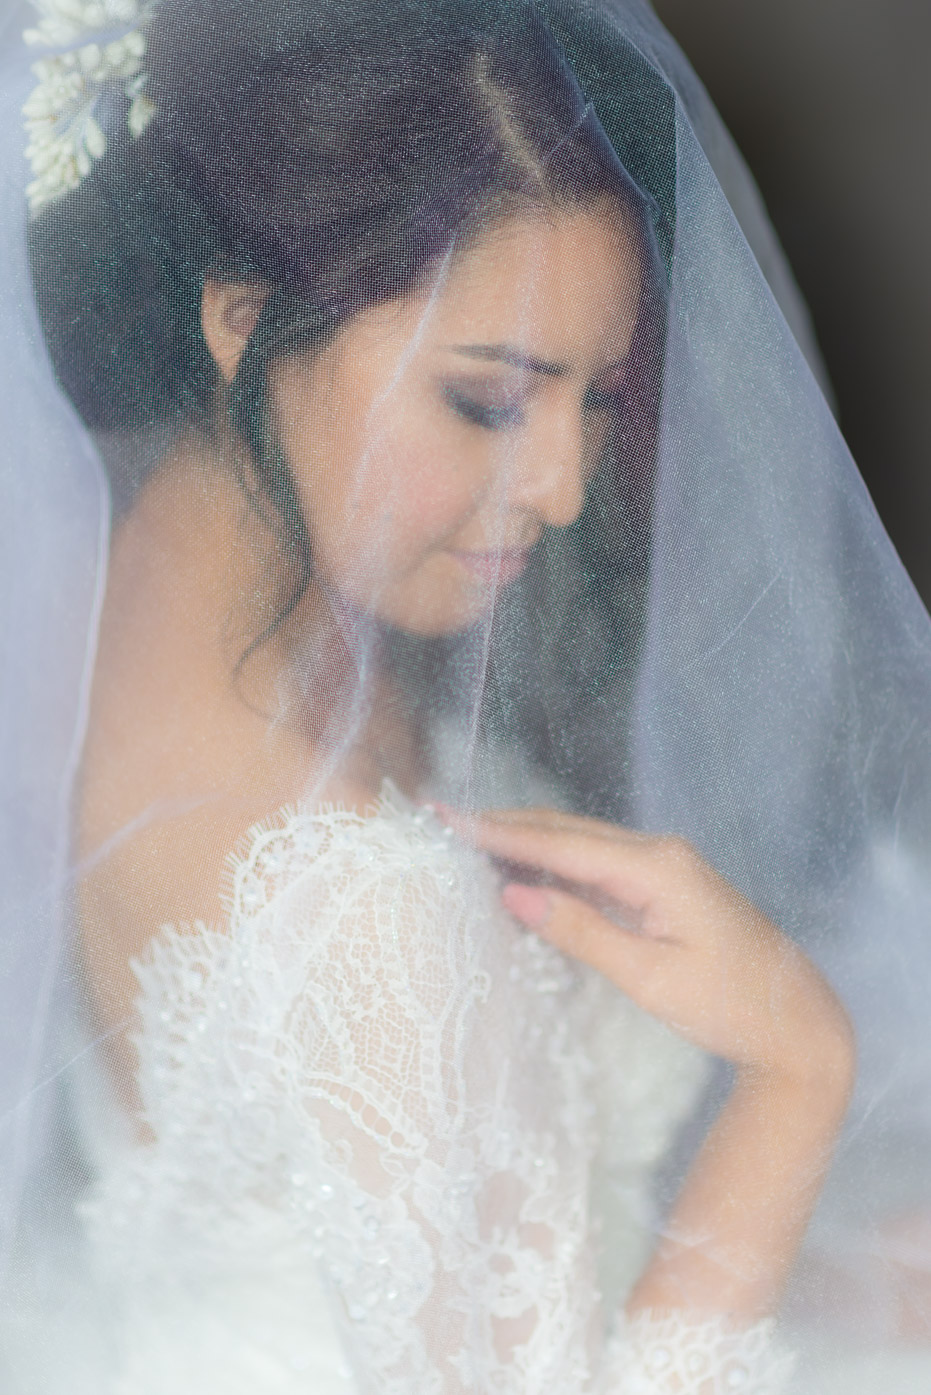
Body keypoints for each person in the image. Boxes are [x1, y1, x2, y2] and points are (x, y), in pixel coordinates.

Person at [1, 0, 930, 1390]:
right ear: (243, 320)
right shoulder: (368, 925)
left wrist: (832, 1269)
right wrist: (798, 1071)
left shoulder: (95, 567)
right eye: (490, 405)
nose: (559, 489)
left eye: (598, 397)